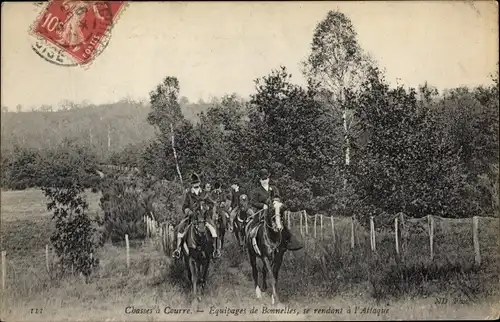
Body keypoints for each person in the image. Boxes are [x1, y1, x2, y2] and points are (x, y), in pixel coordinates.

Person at [250, 168, 303, 251]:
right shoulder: (257, 191)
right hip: (262, 212)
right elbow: (253, 202)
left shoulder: (274, 188)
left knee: (282, 225)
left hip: (274, 211)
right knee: (253, 229)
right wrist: (262, 205)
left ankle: (290, 243)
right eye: (262, 179)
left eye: (266, 179)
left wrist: (276, 202)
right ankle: (252, 244)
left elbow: (277, 197)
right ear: (260, 180)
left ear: (268, 179)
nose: (265, 181)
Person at [172, 173, 220, 259]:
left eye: (197, 183)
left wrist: (208, 208)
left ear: (199, 183)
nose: (196, 185)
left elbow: (211, 203)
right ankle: (178, 250)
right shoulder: (189, 194)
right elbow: (184, 206)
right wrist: (188, 211)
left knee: (213, 229)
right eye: (194, 183)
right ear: (192, 184)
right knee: (181, 227)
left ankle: (216, 250)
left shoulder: (205, 193)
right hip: (192, 217)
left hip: (204, 217)